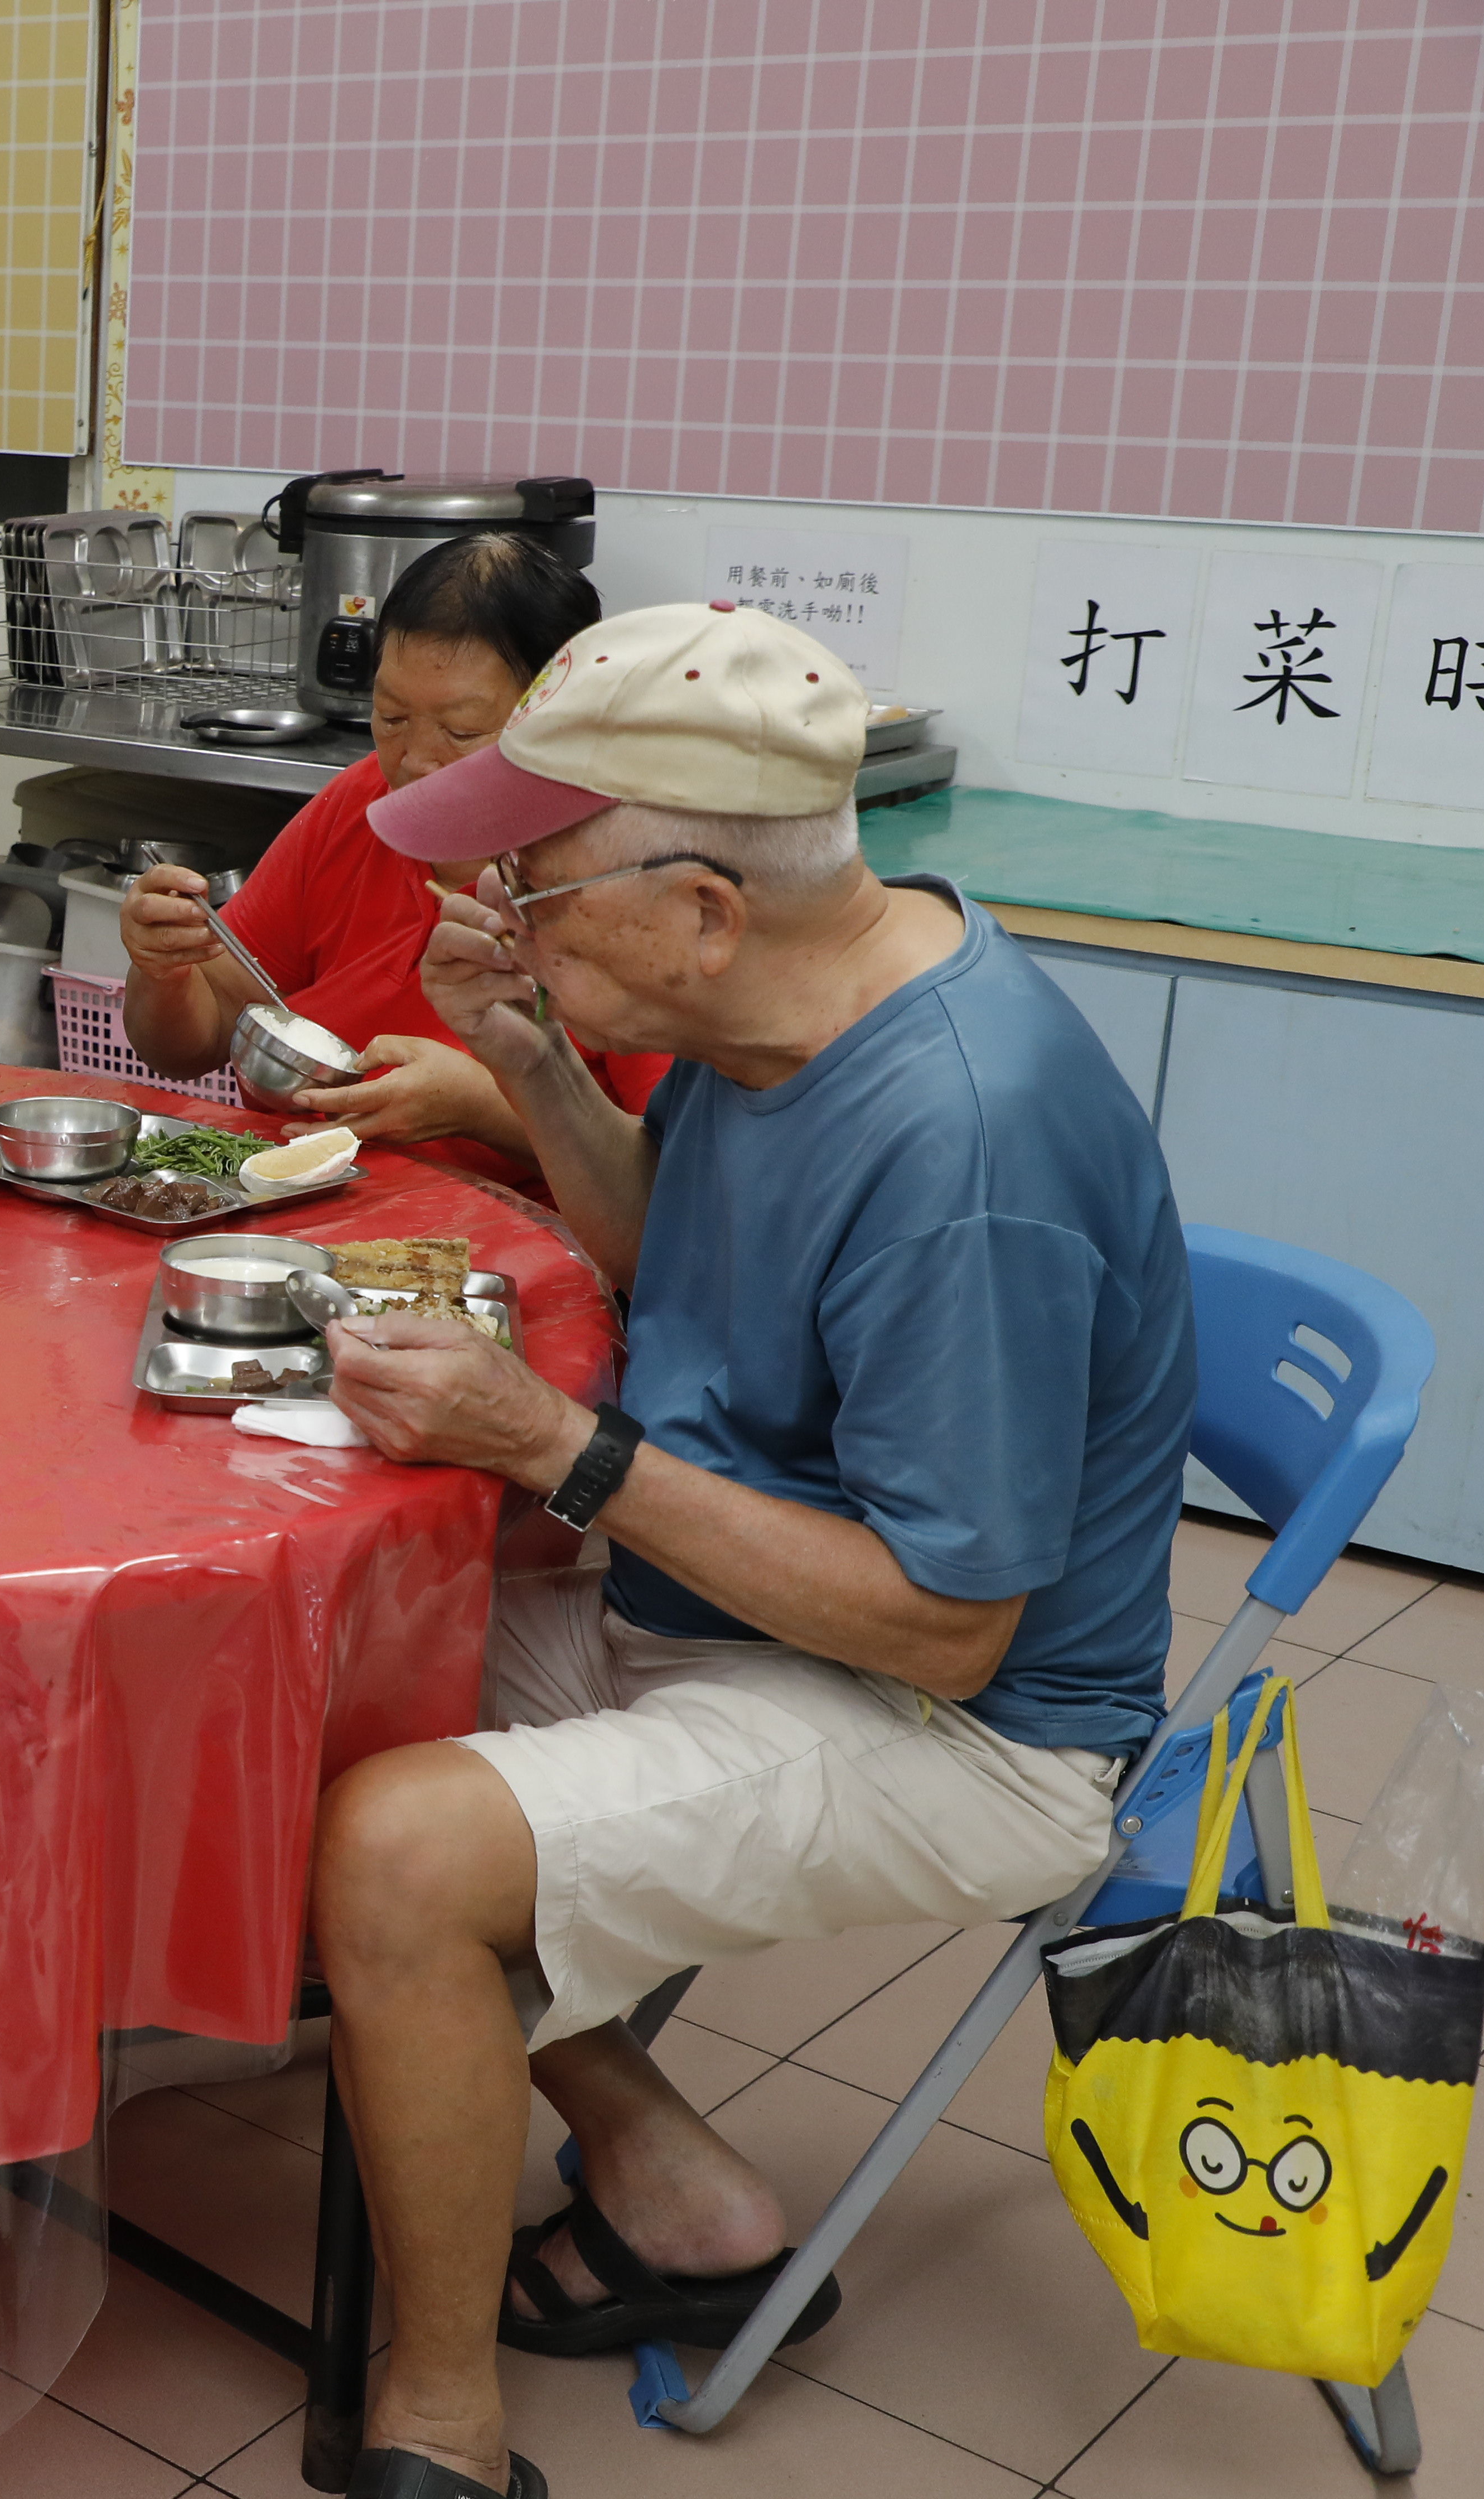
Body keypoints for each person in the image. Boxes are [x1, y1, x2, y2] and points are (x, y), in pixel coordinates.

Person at [293, 602, 1195, 2499]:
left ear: (706, 903)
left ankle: (438, 2422)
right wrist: (532, 1057)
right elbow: (662, 1257)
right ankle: (677, 2186)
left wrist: (551, 1445)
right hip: (747, 1606)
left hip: (974, 1727)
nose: (502, 915)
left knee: (395, 1848)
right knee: (298, 1656)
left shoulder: (963, 1142)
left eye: (532, 888)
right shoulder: (781, 999)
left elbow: (949, 1629)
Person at [117, 533, 667, 1194]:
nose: (414, 762)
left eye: (461, 732)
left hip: (517, 1252)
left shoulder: (632, 877)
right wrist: (162, 969)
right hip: (295, 1211)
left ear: (563, 714)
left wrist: (482, 1108)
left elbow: (670, 1177)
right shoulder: (361, 804)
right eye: (391, 716)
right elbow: (189, 1040)